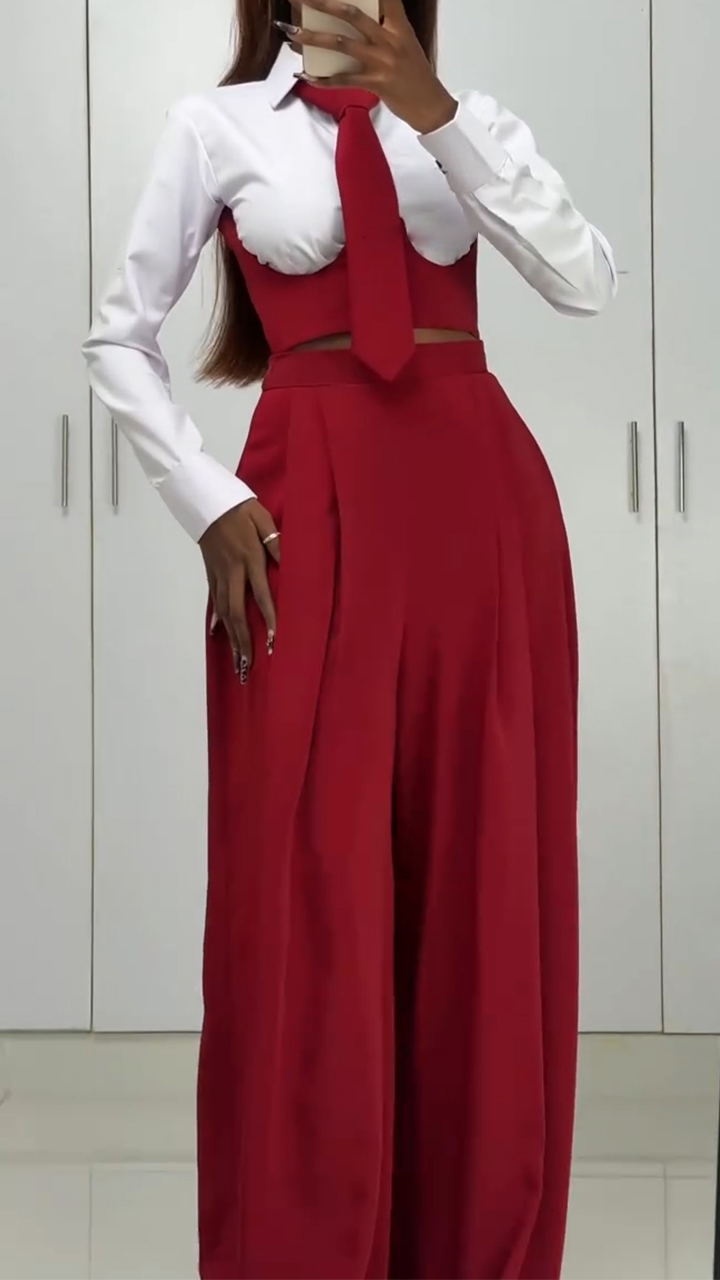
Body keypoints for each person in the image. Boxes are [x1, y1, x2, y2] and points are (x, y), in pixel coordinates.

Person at [83, 1, 616, 1275]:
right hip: (300, 521)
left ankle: (475, 1245)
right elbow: (118, 335)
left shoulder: (467, 120)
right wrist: (205, 498)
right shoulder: (214, 126)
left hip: (481, 519)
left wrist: (435, 114)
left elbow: (586, 278)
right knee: (306, 878)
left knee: (485, 874)